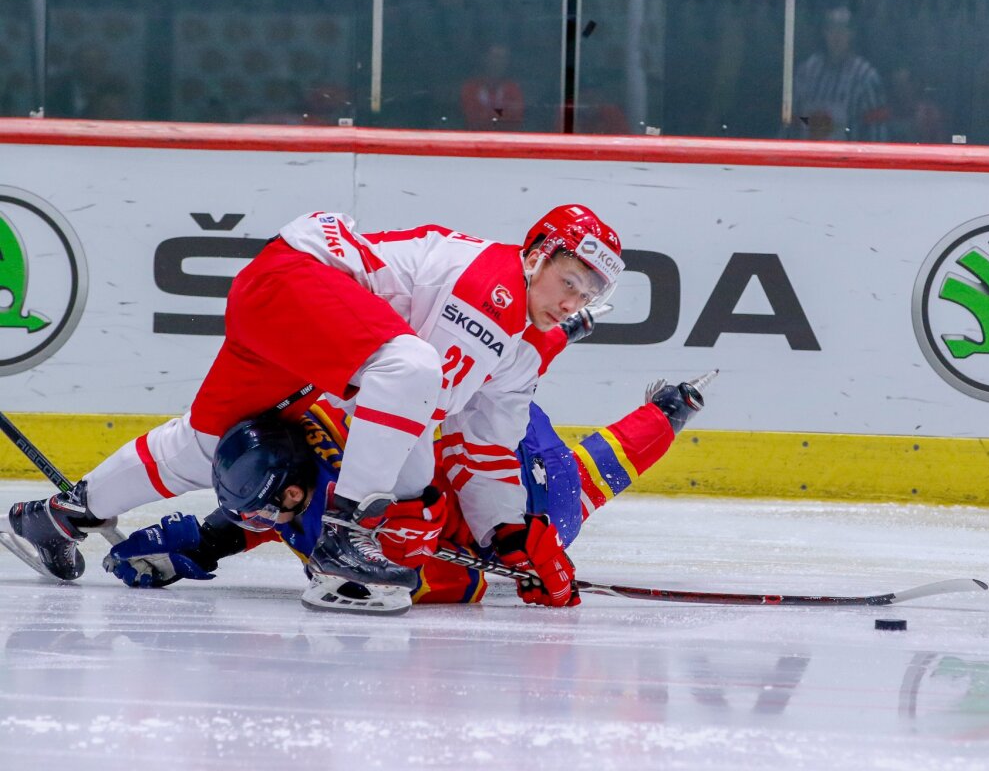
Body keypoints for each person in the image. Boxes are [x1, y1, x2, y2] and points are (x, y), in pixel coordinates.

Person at [6, 204, 624, 613]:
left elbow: (488, 450)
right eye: (569, 279)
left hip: (308, 318)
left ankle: (61, 514)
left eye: (590, 294)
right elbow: (410, 398)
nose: (574, 301)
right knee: (411, 377)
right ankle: (345, 535)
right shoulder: (493, 288)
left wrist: (510, 534)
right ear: (538, 256)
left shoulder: (526, 347)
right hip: (301, 279)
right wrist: (400, 510)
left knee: (208, 444)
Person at [101, 360, 715, 611]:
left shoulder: (325, 496)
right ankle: (669, 408)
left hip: (503, 462)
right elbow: (272, 511)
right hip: (477, 420)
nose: (265, 521)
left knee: (570, 498)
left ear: (292, 490)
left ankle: (669, 410)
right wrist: (201, 544)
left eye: (268, 512)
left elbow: (458, 580)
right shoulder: (302, 433)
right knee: (578, 476)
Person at [789, 6, 888, 142]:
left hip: (849, 161)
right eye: (832, 29)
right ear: (824, 33)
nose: (837, 36)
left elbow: (877, 135)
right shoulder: (806, 72)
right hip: (807, 160)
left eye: (843, 29)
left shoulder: (866, 78)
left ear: (852, 34)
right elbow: (791, 124)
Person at [460, 44, 525, 130]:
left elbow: (515, 116)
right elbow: (472, 116)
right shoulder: (470, 88)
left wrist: (487, 113)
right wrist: (502, 112)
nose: (499, 62)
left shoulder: (513, 89)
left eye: (503, 58)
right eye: (495, 57)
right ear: (485, 59)